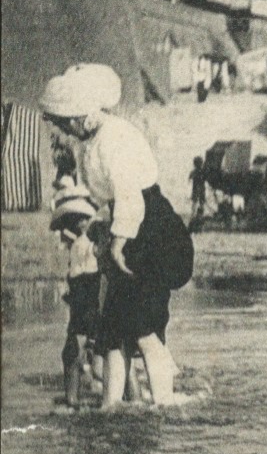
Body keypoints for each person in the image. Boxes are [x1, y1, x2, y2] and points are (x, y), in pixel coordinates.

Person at [39, 64, 192, 409]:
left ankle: (163, 404)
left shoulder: (114, 137)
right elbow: (103, 196)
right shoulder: (91, 143)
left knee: (143, 328)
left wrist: (119, 242)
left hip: (150, 230)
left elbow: (129, 195)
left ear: (80, 117)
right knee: (113, 330)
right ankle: (111, 406)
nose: (65, 129)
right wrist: (102, 230)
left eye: (66, 122)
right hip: (127, 225)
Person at [51, 186, 102, 408]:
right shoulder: (86, 244)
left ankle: (73, 398)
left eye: (84, 219)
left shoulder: (87, 245)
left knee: (75, 352)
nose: (80, 223)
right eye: (77, 220)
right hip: (87, 302)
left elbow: (86, 277)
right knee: (85, 352)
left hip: (87, 302)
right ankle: (76, 397)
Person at [188, 156, 209, 226]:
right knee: (201, 204)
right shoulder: (203, 171)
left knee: (194, 205)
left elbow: (190, 179)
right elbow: (207, 179)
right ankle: (200, 217)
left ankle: (194, 218)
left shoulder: (193, 172)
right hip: (201, 190)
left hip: (196, 190)